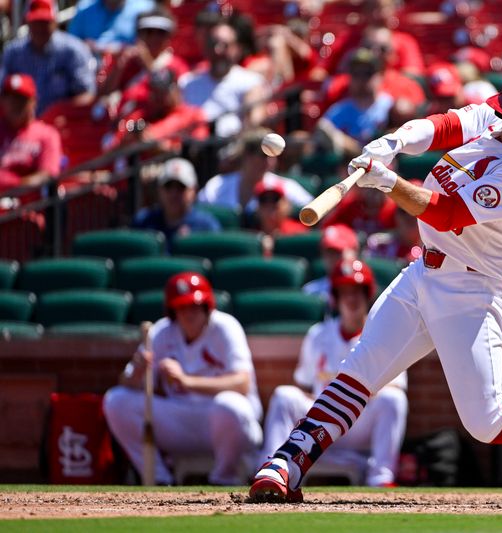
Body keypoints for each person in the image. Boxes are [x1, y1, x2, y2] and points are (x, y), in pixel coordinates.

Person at [250, 65, 502, 504]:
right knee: (357, 371)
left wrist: (389, 182)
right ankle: (287, 462)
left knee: (487, 422)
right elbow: (446, 125)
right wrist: (396, 141)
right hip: (424, 273)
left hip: (472, 292)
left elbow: (446, 213)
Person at [258, 259, 407, 488]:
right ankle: (272, 468)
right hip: (321, 422)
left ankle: (381, 477)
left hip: (361, 421)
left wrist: (348, 396)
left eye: (357, 291)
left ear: (367, 295)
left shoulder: (382, 333)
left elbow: (396, 385)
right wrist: (324, 402)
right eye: (345, 292)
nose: (351, 298)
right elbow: (306, 385)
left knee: (393, 399)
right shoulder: (318, 334)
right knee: (284, 395)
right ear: (335, 297)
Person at [103, 272, 263, 485]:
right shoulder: (161, 331)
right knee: (116, 400)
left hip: (225, 423)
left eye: (195, 306)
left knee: (229, 405)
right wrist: (139, 370)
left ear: (207, 306)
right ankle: (159, 479)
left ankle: (224, 478)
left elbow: (242, 384)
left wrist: (187, 381)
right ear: (172, 310)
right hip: (180, 419)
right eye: (182, 307)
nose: (189, 313)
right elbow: (126, 381)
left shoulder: (226, 327)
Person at [1, 0, 96, 116]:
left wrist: (59, 112)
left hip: (62, 123)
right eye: (36, 22)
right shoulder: (13, 52)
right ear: (27, 22)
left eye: (44, 22)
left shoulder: (73, 50)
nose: (40, 28)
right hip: (22, 125)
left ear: (55, 22)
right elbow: (3, 92)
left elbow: (87, 94)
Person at [179, 21, 266, 138]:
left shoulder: (250, 82)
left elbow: (254, 124)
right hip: (194, 148)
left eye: (225, 45)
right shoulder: (188, 83)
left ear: (237, 49)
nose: (218, 51)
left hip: (234, 149)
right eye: (213, 44)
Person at [198, 129, 312, 212]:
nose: (269, 162)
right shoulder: (217, 186)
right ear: (247, 155)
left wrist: (288, 210)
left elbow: (312, 208)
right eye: (263, 155)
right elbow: (199, 210)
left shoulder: (285, 186)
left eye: (273, 156)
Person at [106, 68, 208, 154]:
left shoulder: (193, 115)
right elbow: (114, 148)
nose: (159, 97)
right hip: (141, 170)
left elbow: (198, 149)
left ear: (176, 89)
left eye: (163, 92)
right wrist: (131, 138)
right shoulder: (141, 116)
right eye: (155, 92)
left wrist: (159, 146)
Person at [315, 48, 394, 158]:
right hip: (348, 167)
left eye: (367, 73)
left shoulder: (390, 106)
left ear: (380, 76)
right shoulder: (339, 110)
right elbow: (323, 130)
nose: (361, 79)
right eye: (356, 74)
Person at [131, 157, 221, 252]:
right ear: (159, 190)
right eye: (168, 186)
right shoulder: (143, 221)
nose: (174, 194)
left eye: (181, 187)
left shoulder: (206, 226)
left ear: (193, 190)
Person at [0, 74, 62, 192]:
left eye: (21, 100)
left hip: (29, 206)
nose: (14, 105)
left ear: (33, 102)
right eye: (9, 98)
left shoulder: (47, 134)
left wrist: (13, 183)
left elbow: (47, 176)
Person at [68, 0, 155, 51]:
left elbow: (151, 49)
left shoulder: (145, 8)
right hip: (89, 71)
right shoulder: (84, 7)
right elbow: (71, 45)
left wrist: (117, 51)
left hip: (130, 75)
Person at [302, 224, 360, 298]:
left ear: (354, 251)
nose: (332, 258)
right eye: (328, 252)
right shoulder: (311, 292)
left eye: (338, 252)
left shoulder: (366, 289)